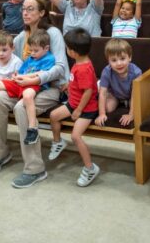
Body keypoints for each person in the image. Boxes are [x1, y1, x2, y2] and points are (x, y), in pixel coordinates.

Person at [0, 0, 70, 189]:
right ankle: (0, 154)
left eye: (30, 8)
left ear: (42, 12)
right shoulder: (22, 36)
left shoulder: (53, 33)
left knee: (22, 108)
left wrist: (37, 78)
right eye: (23, 8)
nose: (25, 12)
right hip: (25, 85)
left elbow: (60, 68)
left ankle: (35, 168)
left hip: (49, 86)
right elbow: (20, 66)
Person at [0, 30, 56, 146]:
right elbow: (20, 71)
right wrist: (16, 76)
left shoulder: (49, 59)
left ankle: (32, 128)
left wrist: (22, 77)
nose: (33, 53)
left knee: (27, 96)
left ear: (46, 48)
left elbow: (41, 74)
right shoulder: (30, 58)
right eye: (31, 50)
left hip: (34, 84)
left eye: (36, 51)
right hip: (19, 82)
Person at [48, 28, 100, 187]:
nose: (66, 49)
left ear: (73, 52)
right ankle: (57, 142)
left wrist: (78, 110)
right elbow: (78, 83)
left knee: (76, 136)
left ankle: (90, 168)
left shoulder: (83, 68)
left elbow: (88, 91)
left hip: (86, 109)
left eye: (67, 47)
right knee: (53, 116)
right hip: (73, 103)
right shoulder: (79, 63)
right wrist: (69, 85)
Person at [96, 39, 142, 128]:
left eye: (122, 58)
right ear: (108, 61)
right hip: (114, 94)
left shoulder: (136, 72)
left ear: (130, 57)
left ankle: (125, 103)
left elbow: (135, 95)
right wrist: (101, 114)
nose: (119, 63)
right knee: (108, 108)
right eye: (114, 60)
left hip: (130, 95)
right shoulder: (106, 71)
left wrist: (131, 114)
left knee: (138, 106)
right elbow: (103, 94)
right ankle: (99, 84)